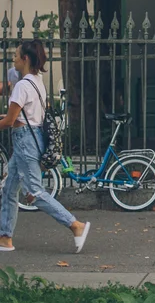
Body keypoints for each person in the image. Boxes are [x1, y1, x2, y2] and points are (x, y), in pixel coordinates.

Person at [0, 39, 90, 254]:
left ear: (26, 59)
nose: (13, 58)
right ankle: (5, 238)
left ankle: (75, 225)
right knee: (9, 190)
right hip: (31, 139)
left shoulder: (22, 85)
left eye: (16, 54)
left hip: (25, 142)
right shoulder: (36, 80)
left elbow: (10, 121)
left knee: (35, 192)